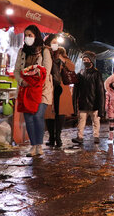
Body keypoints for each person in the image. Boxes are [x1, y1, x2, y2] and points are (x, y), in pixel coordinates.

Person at [14, 25, 53, 157]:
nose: (28, 38)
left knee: (37, 116)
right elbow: (16, 70)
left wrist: (38, 83)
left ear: (36, 36)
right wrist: (21, 81)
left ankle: (39, 145)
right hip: (26, 90)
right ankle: (33, 145)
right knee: (28, 118)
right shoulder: (22, 51)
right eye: (26, 35)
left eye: (30, 35)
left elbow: (47, 71)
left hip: (42, 90)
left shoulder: (44, 51)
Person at [43, 34, 75, 148]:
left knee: (60, 112)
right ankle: (51, 137)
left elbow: (72, 68)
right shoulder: (43, 54)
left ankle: (58, 137)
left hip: (61, 88)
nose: (55, 45)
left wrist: (61, 58)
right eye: (53, 42)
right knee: (48, 114)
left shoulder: (62, 56)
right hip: (48, 87)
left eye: (56, 42)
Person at [72, 51, 105, 144]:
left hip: (94, 103)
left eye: (87, 59)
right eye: (84, 60)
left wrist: (101, 107)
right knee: (81, 121)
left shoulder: (96, 74)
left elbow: (100, 91)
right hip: (83, 102)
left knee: (95, 121)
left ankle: (96, 136)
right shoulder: (80, 73)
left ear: (91, 61)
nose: (85, 61)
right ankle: (80, 136)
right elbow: (76, 90)